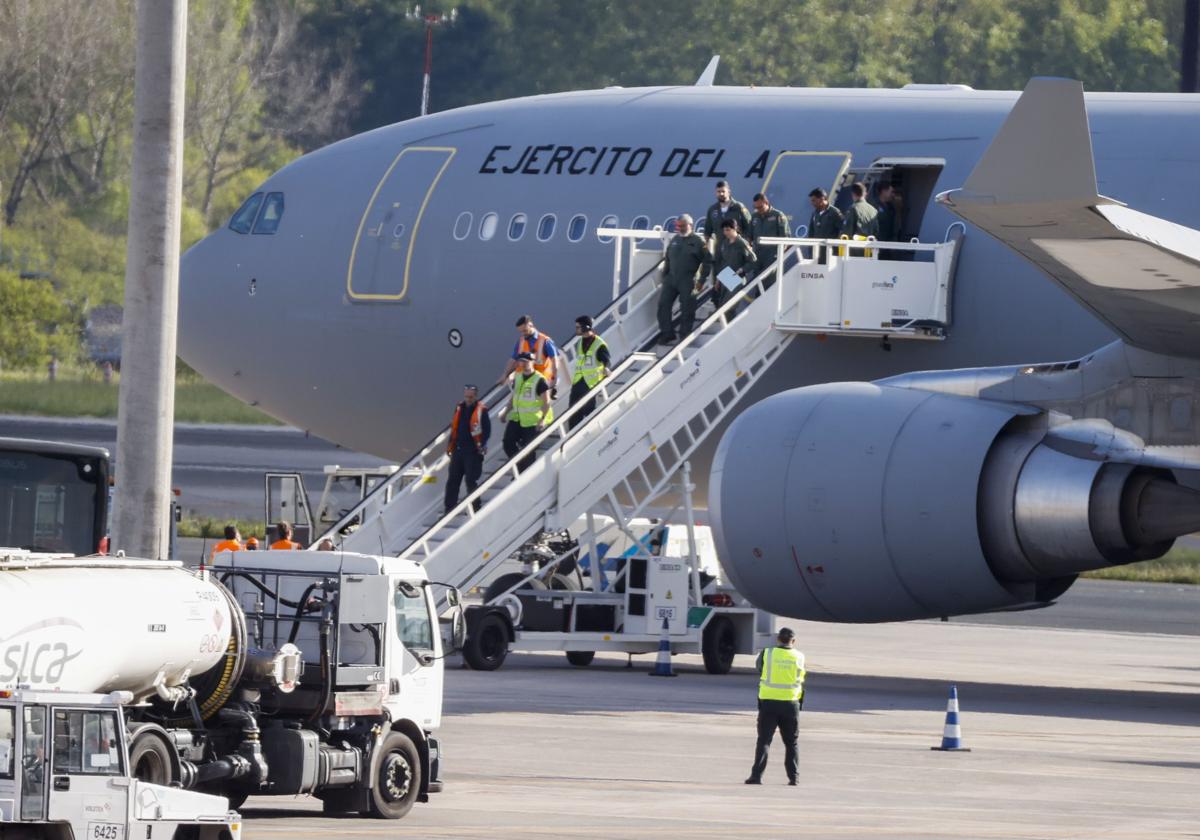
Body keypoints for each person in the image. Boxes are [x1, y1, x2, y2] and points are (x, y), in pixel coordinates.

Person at [745, 627, 805, 786]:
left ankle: (756, 776)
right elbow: (801, 676)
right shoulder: (799, 656)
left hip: (769, 703)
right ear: (793, 641)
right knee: (791, 743)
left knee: (764, 741)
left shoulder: (767, 653)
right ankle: (794, 778)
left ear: (778, 639)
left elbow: (759, 668)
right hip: (791, 704)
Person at [657, 214, 711, 345]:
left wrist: (701, 280)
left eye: (682, 226)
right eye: (678, 226)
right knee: (663, 305)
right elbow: (668, 258)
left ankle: (684, 334)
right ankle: (667, 333)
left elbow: (707, 261)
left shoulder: (698, 242)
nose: (679, 228)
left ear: (690, 225)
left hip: (688, 279)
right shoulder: (676, 239)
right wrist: (665, 276)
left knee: (687, 307)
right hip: (671, 279)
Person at [502, 352, 552, 472]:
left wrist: (543, 419)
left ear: (532, 362)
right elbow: (513, 397)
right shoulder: (518, 377)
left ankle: (526, 473)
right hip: (517, 418)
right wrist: (505, 412)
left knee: (528, 450)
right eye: (521, 361)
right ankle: (519, 468)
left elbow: (547, 401)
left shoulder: (539, 380)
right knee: (507, 443)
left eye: (526, 361)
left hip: (532, 421)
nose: (523, 364)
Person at [445, 384, 491, 513]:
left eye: (471, 397)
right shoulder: (459, 407)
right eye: (466, 396)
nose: (468, 399)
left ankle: (475, 507)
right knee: (453, 480)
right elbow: (454, 428)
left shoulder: (482, 410)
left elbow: (486, 430)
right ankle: (449, 508)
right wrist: (450, 445)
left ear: (476, 396)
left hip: (473, 451)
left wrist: (483, 444)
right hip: (458, 449)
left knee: (471, 480)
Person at [500, 315, 565, 397]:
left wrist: (554, 379)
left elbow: (555, 361)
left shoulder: (545, 340)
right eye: (521, 332)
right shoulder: (521, 341)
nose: (523, 334)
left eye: (525, 330)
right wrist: (505, 375)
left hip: (541, 381)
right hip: (525, 381)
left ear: (531, 325)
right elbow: (513, 360)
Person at [568, 315, 610, 430]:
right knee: (573, 412)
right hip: (578, 381)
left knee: (588, 410)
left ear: (586, 327)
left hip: (590, 383)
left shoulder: (599, 344)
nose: (576, 329)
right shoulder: (580, 342)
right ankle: (572, 435)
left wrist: (606, 368)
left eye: (578, 327)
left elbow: (606, 361)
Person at [711, 219, 757, 309]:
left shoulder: (741, 243)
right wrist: (718, 279)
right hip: (726, 276)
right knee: (722, 305)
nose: (725, 232)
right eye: (724, 230)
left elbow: (753, 260)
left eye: (728, 230)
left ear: (735, 228)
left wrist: (742, 269)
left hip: (736, 277)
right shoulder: (725, 243)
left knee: (730, 307)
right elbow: (723, 262)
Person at [748, 193, 789, 284]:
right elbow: (749, 236)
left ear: (766, 202)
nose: (758, 210)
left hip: (772, 257)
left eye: (760, 207)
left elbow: (785, 238)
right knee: (758, 282)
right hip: (758, 256)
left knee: (771, 283)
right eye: (756, 208)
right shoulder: (754, 217)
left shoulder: (778, 216)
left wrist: (779, 255)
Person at [704, 180, 752, 249]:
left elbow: (749, 226)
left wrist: (746, 243)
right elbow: (707, 231)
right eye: (719, 192)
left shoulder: (739, 207)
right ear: (716, 193)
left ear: (729, 192)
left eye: (723, 191)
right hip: (719, 251)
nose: (721, 194)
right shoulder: (712, 210)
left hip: (736, 249)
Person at [807, 187, 844, 263]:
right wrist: (810, 253)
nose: (812, 203)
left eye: (814, 200)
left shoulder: (834, 213)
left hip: (830, 254)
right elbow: (811, 233)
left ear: (822, 199)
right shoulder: (814, 214)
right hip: (816, 254)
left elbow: (843, 231)